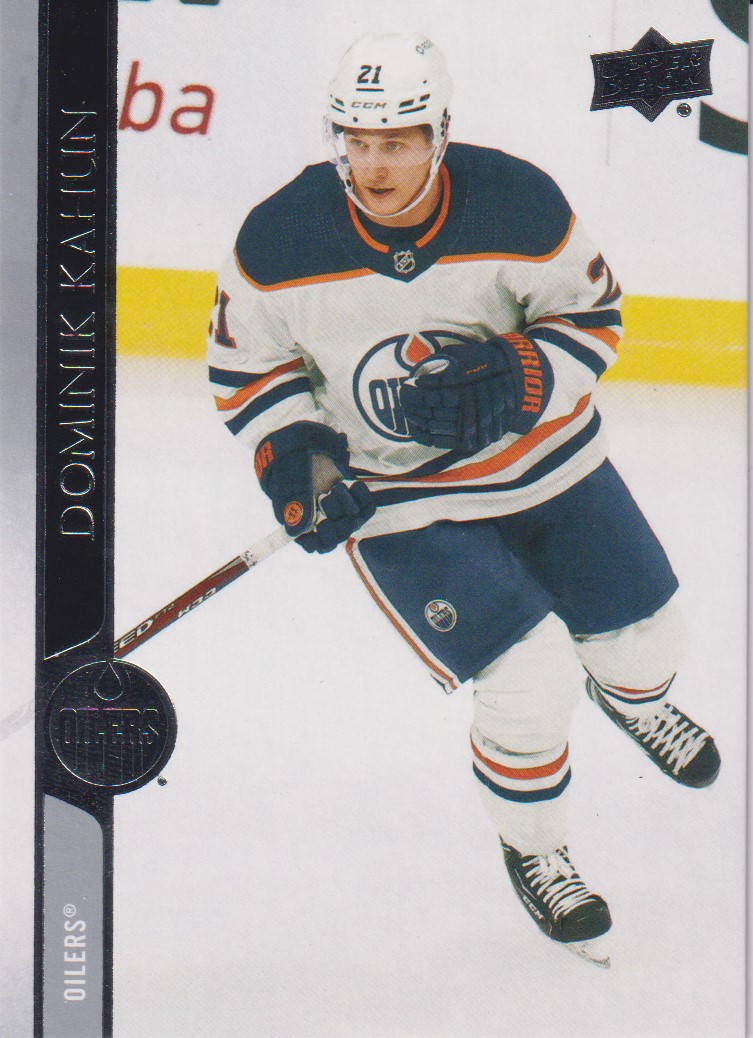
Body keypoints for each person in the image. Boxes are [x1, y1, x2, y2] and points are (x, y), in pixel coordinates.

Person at [207, 32, 720, 967]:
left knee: (648, 642)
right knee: (530, 677)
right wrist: (299, 465)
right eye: (357, 141)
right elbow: (251, 372)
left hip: (550, 463)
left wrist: (525, 373)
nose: (373, 165)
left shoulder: (516, 201)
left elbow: (592, 317)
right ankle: (537, 851)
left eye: (396, 142)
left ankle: (631, 696)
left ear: (439, 133)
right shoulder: (277, 240)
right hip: (404, 501)